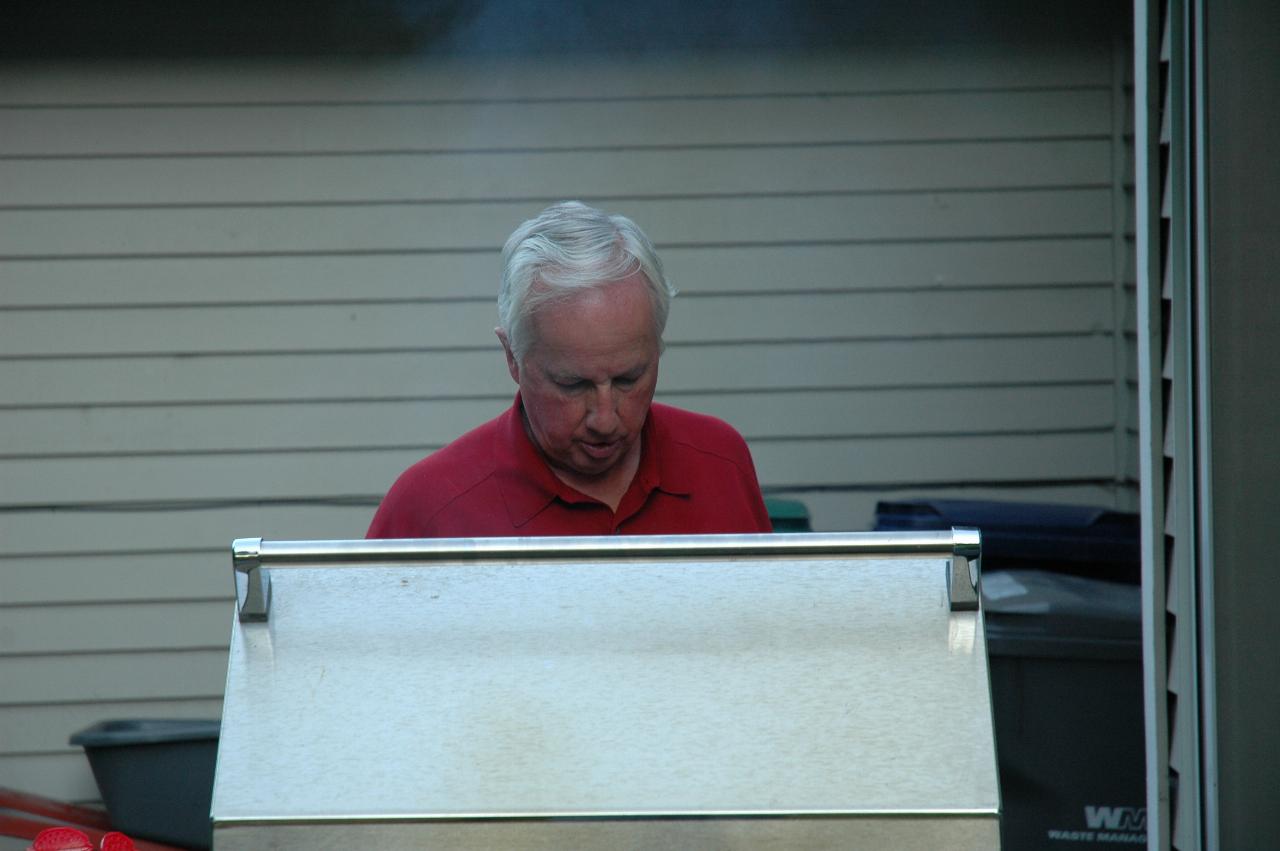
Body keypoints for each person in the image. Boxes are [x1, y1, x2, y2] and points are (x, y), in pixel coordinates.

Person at [366, 201, 771, 538]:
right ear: (512, 357)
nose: (605, 419)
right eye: (573, 385)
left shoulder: (721, 463)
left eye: (629, 379)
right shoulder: (428, 509)